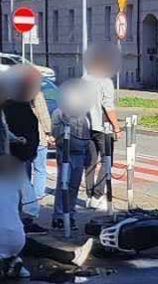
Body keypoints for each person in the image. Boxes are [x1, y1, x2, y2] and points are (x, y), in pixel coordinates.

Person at [3, 66, 47, 234]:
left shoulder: (11, 104)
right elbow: (25, 127)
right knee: (21, 186)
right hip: (15, 153)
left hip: (17, 151)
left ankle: (22, 217)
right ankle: (26, 219)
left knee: (18, 186)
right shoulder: (16, 105)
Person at [82, 47, 123, 212]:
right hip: (102, 127)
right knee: (107, 162)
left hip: (87, 127)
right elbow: (108, 106)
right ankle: (98, 196)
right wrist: (117, 127)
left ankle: (89, 195)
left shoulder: (84, 80)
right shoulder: (105, 82)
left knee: (90, 162)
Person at [50, 91, 95, 229]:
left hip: (80, 153)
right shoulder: (59, 113)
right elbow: (57, 134)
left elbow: (88, 135)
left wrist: (88, 153)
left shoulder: (85, 115)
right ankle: (59, 216)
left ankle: (70, 214)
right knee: (64, 184)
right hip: (65, 154)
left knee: (74, 185)